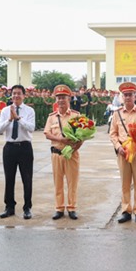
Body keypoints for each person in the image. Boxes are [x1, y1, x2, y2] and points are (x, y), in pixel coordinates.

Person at [109, 82, 136, 224]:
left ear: (135, 96)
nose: (127, 97)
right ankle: (126, 211)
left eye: (130, 95)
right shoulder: (117, 113)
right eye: (125, 95)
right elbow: (112, 133)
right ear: (122, 97)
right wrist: (117, 146)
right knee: (125, 183)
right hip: (123, 153)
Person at [44, 85, 83, 220]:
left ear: (69, 99)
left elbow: (82, 135)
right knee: (58, 182)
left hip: (72, 154)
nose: (61, 100)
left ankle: (72, 208)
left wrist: (75, 148)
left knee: (72, 182)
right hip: (56, 154)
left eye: (63, 98)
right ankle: (59, 208)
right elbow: (47, 134)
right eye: (58, 98)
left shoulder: (76, 116)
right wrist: (60, 139)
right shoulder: (52, 117)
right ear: (56, 100)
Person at [0, 84, 36, 219]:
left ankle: (27, 208)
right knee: (9, 178)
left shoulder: (29, 111)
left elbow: (31, 128)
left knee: (27, 178)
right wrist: (10, 119)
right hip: (9, 148)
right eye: (13, 93)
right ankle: (9, 207)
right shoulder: (5, 110)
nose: (16, 96)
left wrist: (18, 118)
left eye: (19, 93)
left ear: (24, 96)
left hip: (24, 147)